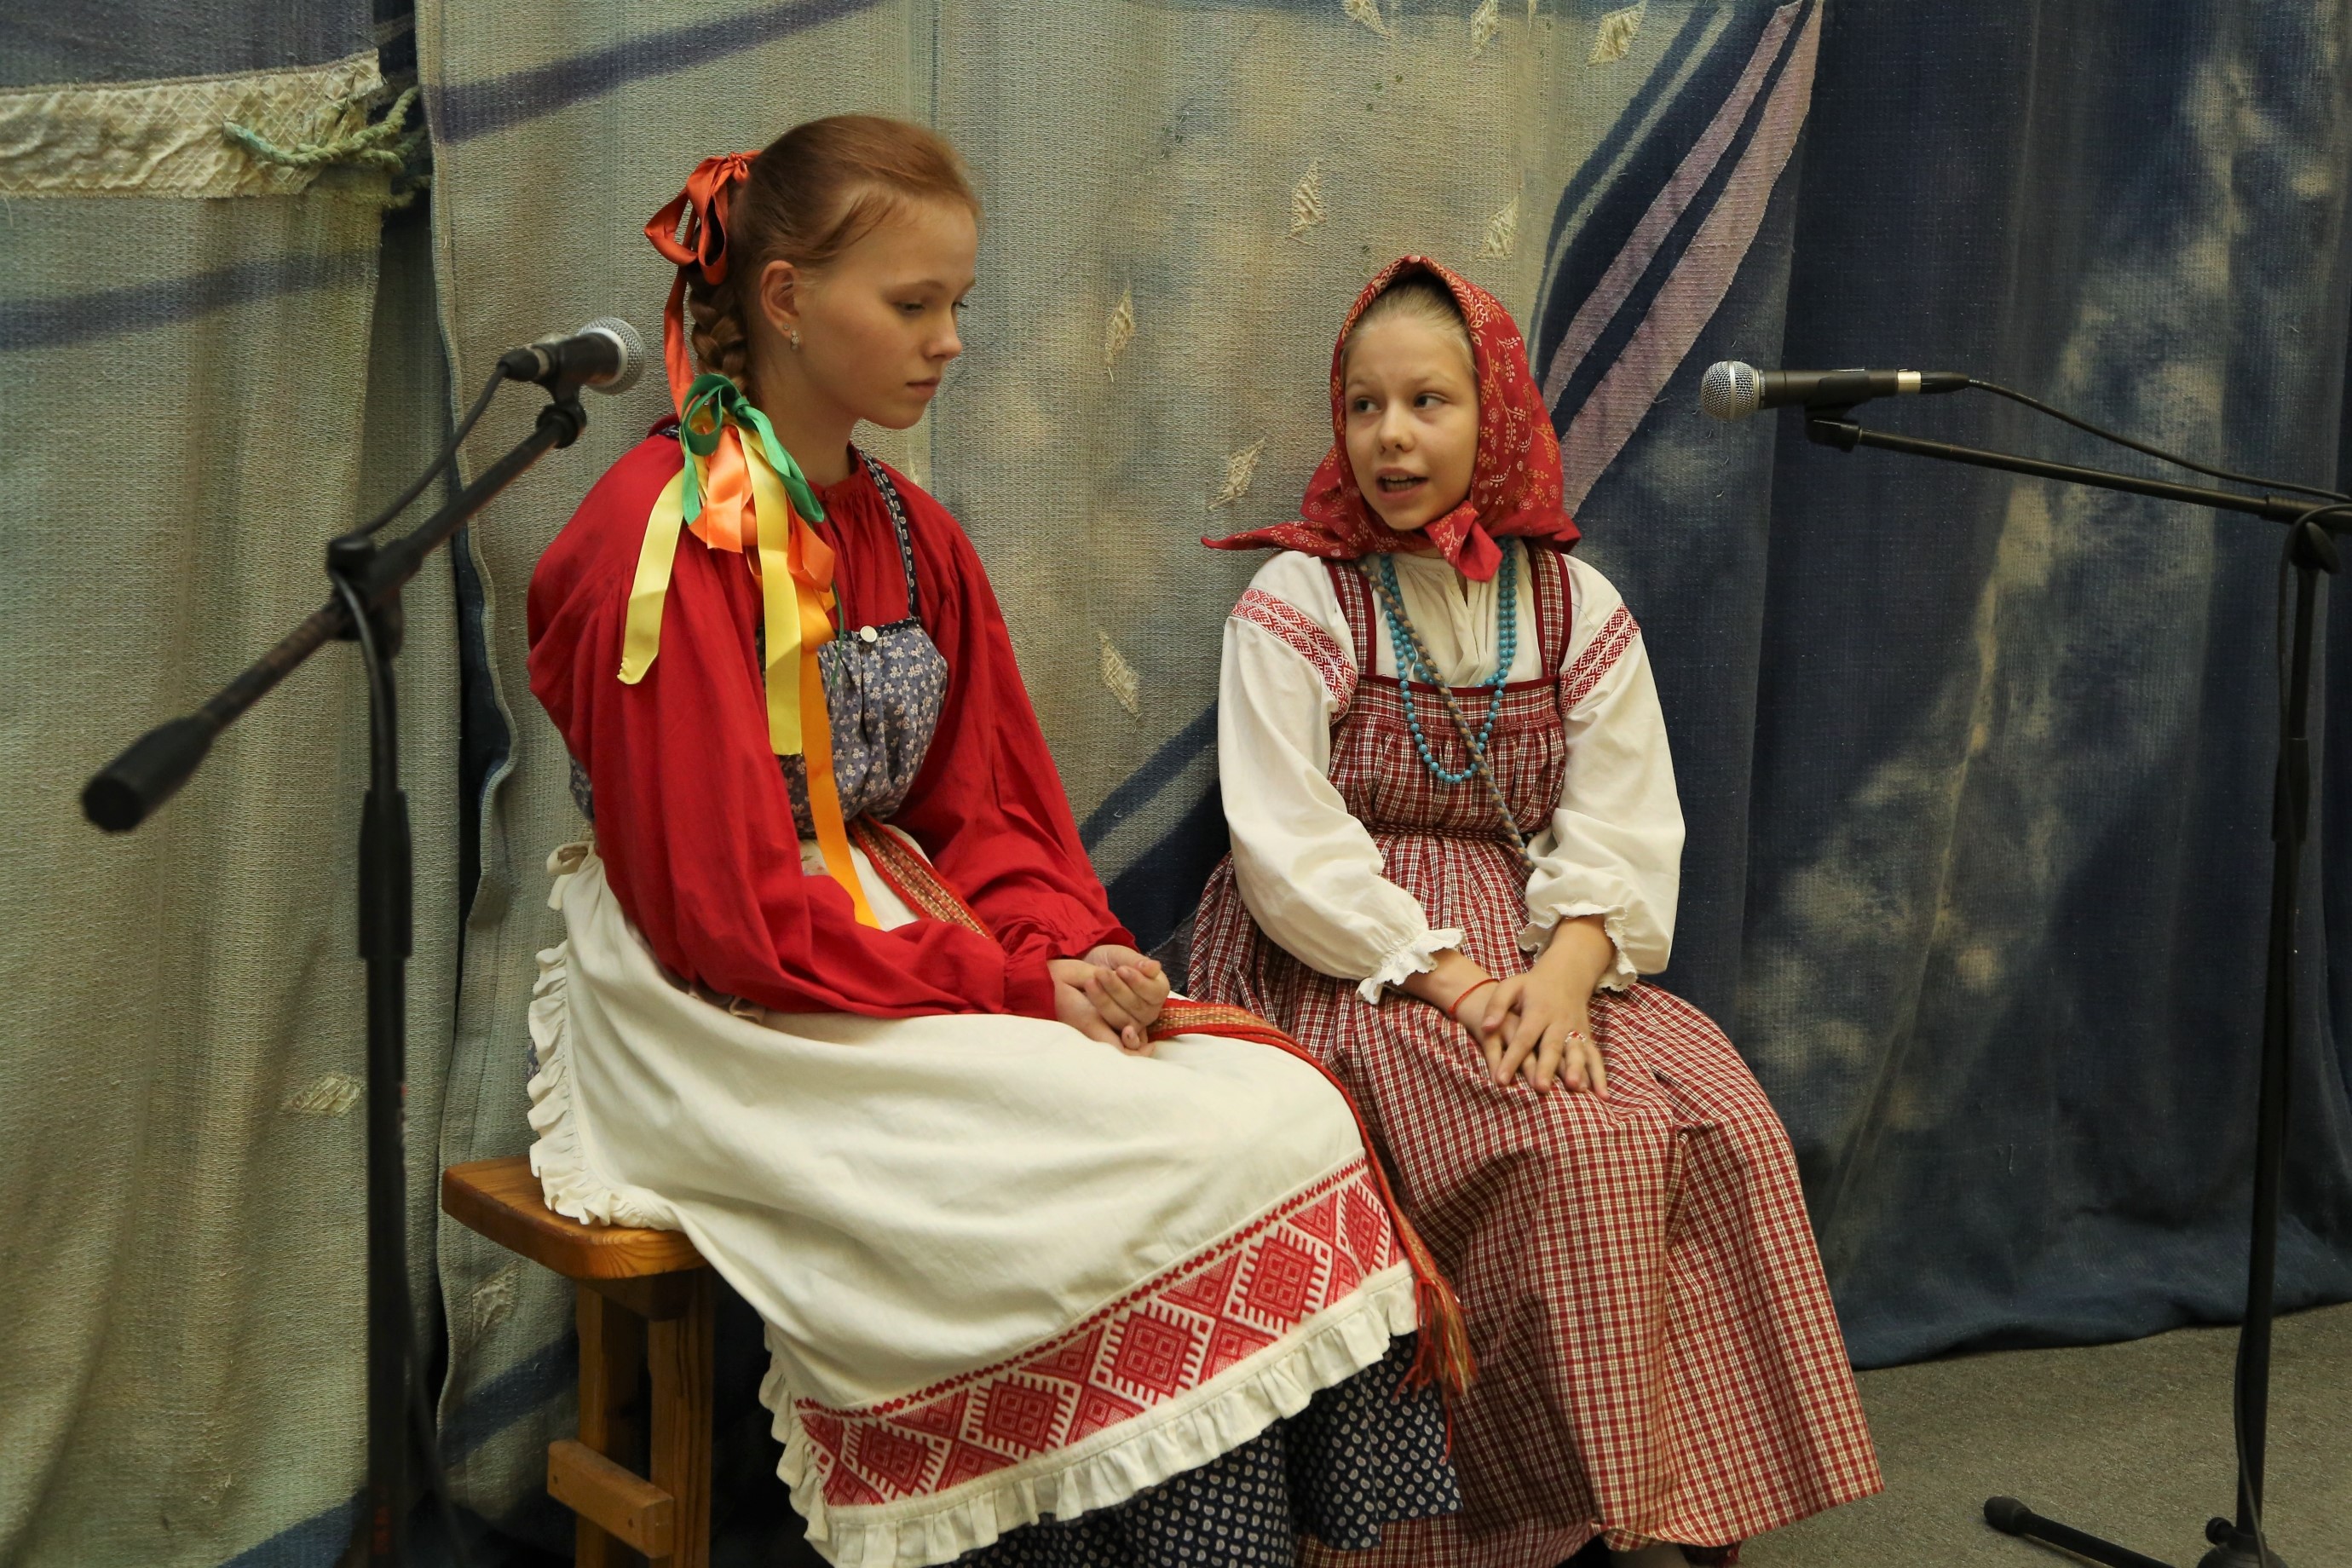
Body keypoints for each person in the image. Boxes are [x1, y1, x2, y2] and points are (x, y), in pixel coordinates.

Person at [523, 122, 1464, 1566]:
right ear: (783, 298)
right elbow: (726, 915)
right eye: (914, 304)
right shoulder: (661, 541)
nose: (951, 341)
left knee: (1279, 1114)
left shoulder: (911, 535)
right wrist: (1015, 988)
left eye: (956, 303)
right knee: (1115, 1171)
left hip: (906, 936)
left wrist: (1071, 945)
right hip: (718, 997)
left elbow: (991, 814)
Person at [1191, 257, 1882, 1568]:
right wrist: (1451, 981)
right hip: (1355, 961)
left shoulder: (1571, 603)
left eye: (1428, 402)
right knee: (1569, 1144)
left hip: (1547, 943)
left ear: (1494, 415)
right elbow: (1286, 848)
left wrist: (1566, 972)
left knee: (1722, 1124)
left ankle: (1665, 1499)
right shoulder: (1302, 600)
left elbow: (1622, 816)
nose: (1392, 437)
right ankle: (1536, 1521)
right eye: (1364, 406)